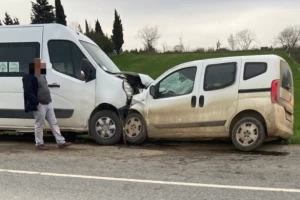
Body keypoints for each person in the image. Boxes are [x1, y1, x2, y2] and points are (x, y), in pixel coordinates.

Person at [22, 58, 71, 150]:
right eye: (39, 64)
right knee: (39, 124)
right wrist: (36, 103)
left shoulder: (41, 74)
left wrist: (49, 100)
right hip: (40, 105)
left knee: (54, 122)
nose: (41, 66)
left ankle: (61, 142)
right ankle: (39, 143)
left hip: (48, 103)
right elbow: (28, 92)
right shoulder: (29, 76)